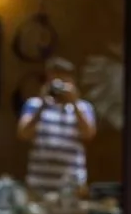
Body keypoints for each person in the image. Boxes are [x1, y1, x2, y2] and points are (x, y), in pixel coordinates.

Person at [17, 58, 97, 195]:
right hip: (38, 185)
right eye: (55, 82)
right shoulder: (34, 105)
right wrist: (42, 104)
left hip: (72, 186)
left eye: (64, 82)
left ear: (72, 82)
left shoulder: (84, 108)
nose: (59, 88)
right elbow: (23, 134)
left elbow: (89, 134)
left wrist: (74, 103)